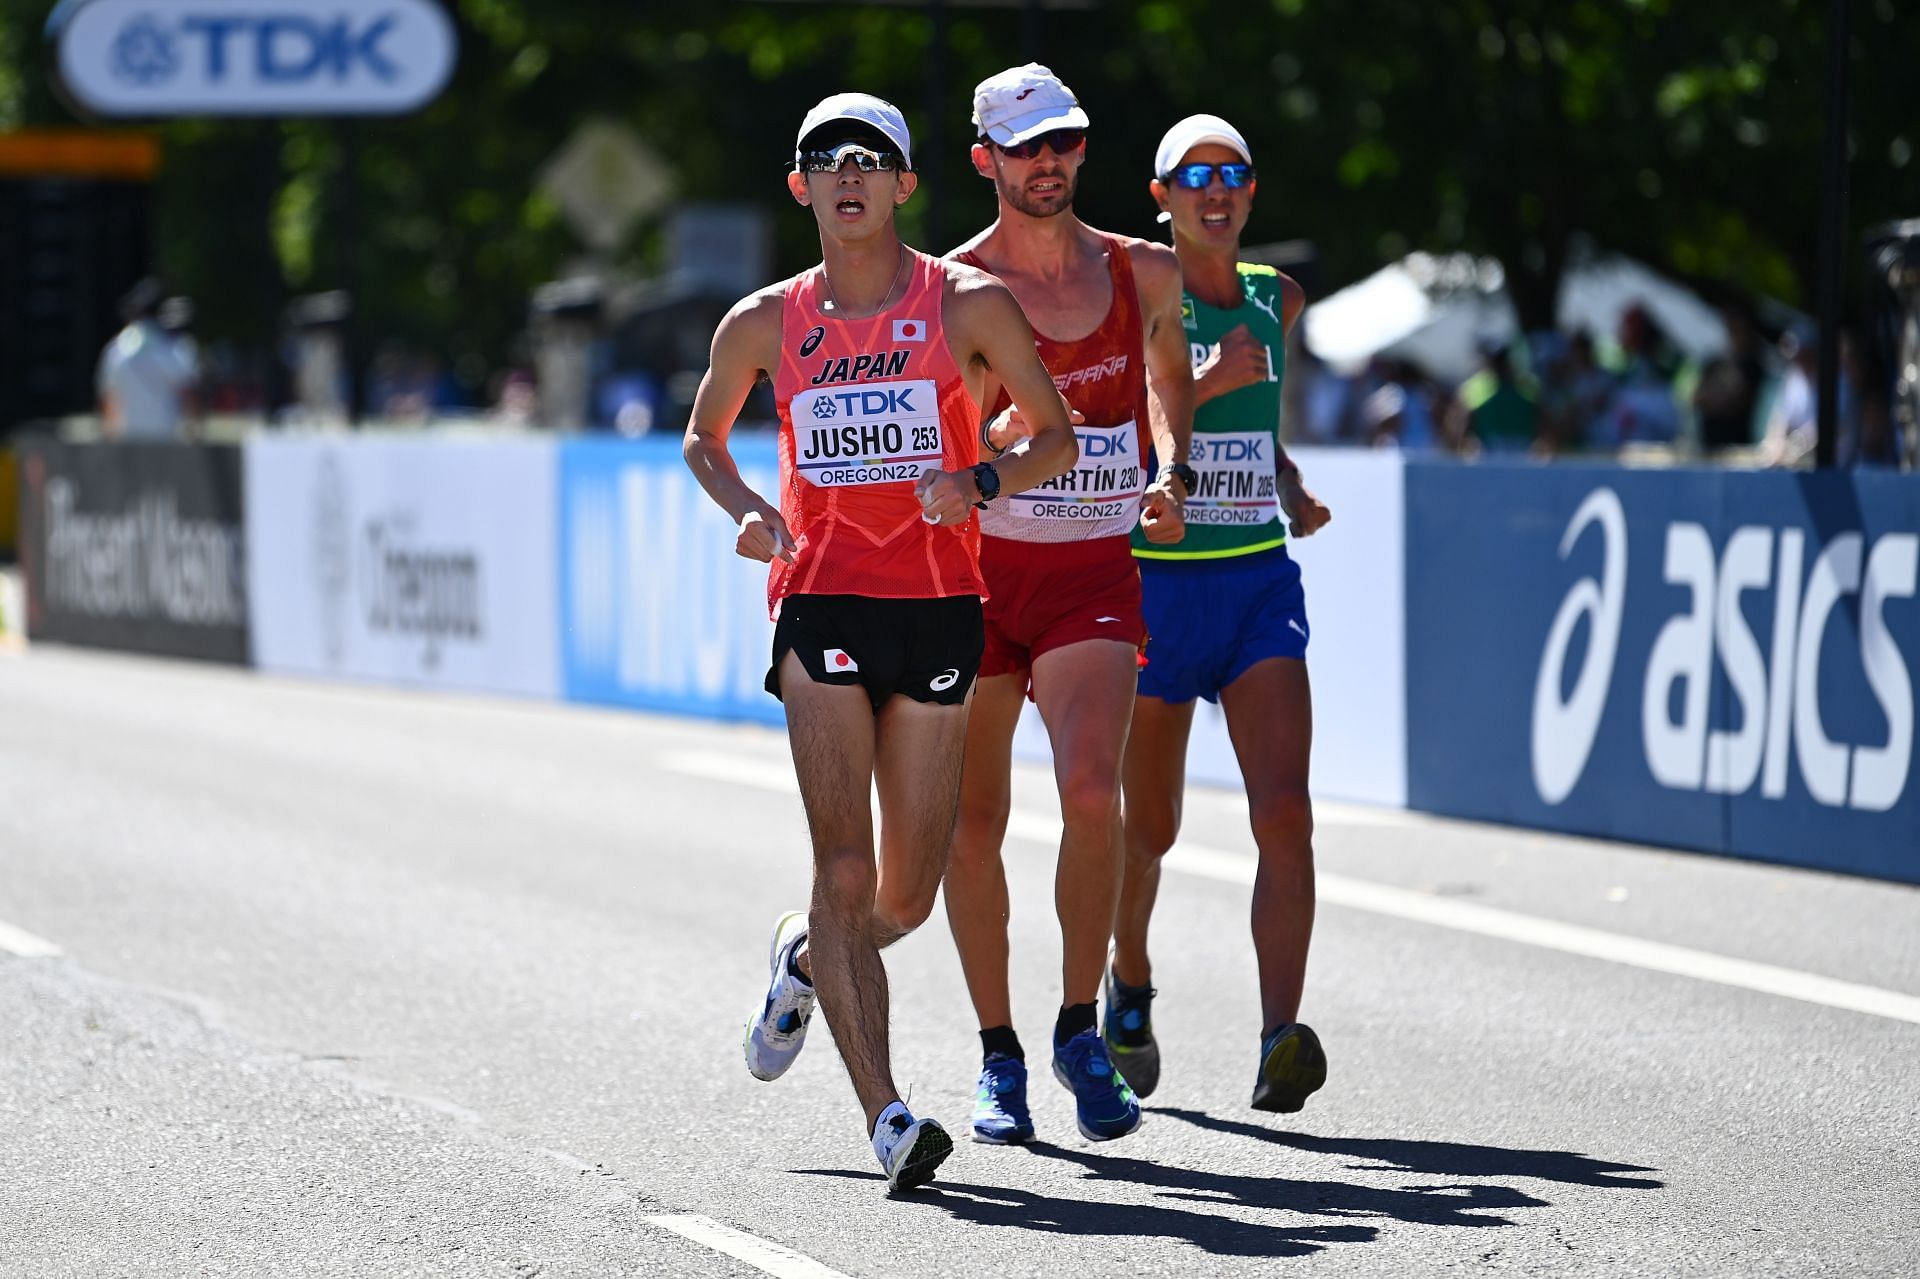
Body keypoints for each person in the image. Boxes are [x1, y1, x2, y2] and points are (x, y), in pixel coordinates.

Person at [682, 92, 1077, 1192]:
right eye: (824, 158)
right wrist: (748, 509)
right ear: (800, 185)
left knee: (905, 893)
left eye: (871, 159)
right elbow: (700, 439)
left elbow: (1056, 437)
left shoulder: (969, 305)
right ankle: (890, 1117)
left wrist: (979, 480)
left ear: (906, 184)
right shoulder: (763, 321)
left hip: (943, 608)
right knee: (844, 866)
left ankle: (806, 960)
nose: (847, 174)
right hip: (821, 605)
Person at [939, 63, 1194, 1147]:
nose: (1049, 164)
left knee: (1094, 794)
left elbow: (1167, 378)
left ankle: (1077, 1029)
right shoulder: (946, 290)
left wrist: (1169, 470)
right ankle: (999, 1054)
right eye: (1026, 146)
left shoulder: (1147, 272)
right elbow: (933, 449)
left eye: (1065, 142)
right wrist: (987, 446)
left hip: (1093, 565)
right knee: (974, 824)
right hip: (981, 577)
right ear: (984, 161)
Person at [1108, 113, 1334, 1115]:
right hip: (1154, 587)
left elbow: (1260, 422)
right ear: (1161, 195)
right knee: (1147, 829)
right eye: (1193, 175)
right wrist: (1208, 378)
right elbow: (1115, 429)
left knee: (1285, 811)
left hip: (1253, 583)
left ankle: (1280, 1035)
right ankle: (1127, 981)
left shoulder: (1276, 300)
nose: (1216, 189)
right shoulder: (1133, 295)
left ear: (1250, 192)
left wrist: (1286, 482)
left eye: (1232, 173)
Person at [97, 276, 196, 439]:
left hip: (131, 444)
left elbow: (109, 403)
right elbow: (190, 399)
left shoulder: (115, 351)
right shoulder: (177, 349)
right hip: (167, 442)